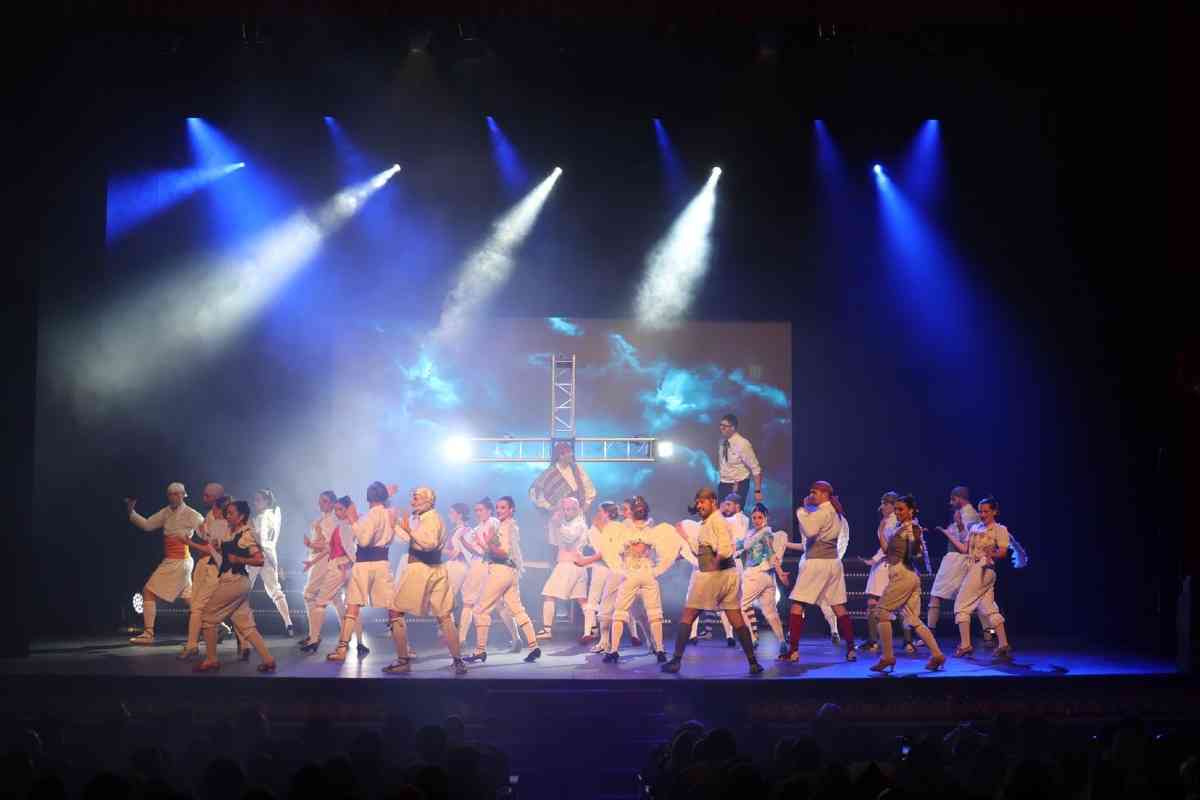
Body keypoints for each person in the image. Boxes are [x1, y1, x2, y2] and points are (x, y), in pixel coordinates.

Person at [662, 487, 763, 675]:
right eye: (697, 502)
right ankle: (753, 662)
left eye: (703, 501)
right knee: (736, 618)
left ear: (713, 501)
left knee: (687, 616)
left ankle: (676, 661)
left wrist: (714, 566)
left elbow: (724, 549)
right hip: (726, 575)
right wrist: (685, 536)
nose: (699, 505)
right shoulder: (707, 523)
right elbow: (699, 550)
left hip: (713, 576)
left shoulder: (717, 521)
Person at [385, 487, 468, 675]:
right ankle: (458, 661)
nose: (412, 502)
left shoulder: (431, 518)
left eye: (415, 498)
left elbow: (428, 543)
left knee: (395, 611)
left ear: (426, 500)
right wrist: (397, 525)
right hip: (436, 570)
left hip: (422, 569)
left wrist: (405, 528)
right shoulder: (426, 518)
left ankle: (403, 660)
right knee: (444, 616)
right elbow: (407, 539)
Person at [193, 499, 277, 672]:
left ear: (241, 516)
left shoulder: (246, 535)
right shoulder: (231, 533)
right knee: (245, 624)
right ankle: (268, 660)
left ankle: (211, 659)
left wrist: (239, 559)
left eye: (231, 513)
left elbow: (259, 560)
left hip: (236, 581)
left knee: (208, 616)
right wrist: (216, 547)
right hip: (234, 581)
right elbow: (222, 554)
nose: (227, 516)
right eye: (227, 513)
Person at [866, 495, 946, 673]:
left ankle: (887, 657)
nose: (897, 512)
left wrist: (916, 541)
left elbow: (915, 554)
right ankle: (937, 654)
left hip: (903, 575)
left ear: (911, 510)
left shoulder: (912, 528)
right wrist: (881, 532)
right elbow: (888, 551)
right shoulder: (901, 528)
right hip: (908, 576)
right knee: (913, 619)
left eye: (901, 509)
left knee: (881, 612)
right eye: (896, 509)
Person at [781, 481, 856, 663]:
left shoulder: (823, 512)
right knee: (838, 606)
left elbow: (810, 531)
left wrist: (801, 511)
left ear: (824, 494)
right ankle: (851, 648)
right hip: (833, 563)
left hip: (817, 563)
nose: (811, 495)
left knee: (797, 604)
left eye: (814, 492)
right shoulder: (836, 513)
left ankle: (793, 650)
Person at [124, 482, 205, 645]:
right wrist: (131, 511)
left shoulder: (192, 514)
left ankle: (148, 632)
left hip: (178, 561)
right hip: (176, 561)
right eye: (170, 494)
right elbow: (147, 525)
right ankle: (217, 626)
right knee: (190, 599)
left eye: (176, 494)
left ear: (183, 495)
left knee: (148, 591)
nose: (172, 497)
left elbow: (206, 533)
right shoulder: (166, 512)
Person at [465, 496, 541, 663]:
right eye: (498, 507)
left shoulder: (505, 527)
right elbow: (497, 552)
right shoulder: (507, 526)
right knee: (517, 609)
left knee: (480, 610)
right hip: (510, 571)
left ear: (511, 510)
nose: (499, 510)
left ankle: (480, 650)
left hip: (500, 571)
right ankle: (534, 646)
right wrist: (485, 544)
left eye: (503, 508)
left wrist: (488, 543)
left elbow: (503, 553)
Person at [327, 481, 396, 663]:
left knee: (353, 605)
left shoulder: (371, 515)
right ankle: (405, 653)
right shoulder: (388, 513)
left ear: (368, 497)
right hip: (382, 562)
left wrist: (352, 520)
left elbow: (363, 541)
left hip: (365, 563)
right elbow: (391, 537)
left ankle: (342, 649)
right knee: (393, 608)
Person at [604, 496, 672, 663]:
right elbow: (665, 555)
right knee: (654, 613)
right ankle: (660, 649)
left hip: (632, 573)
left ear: (632, 513)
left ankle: (614, 650)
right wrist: (656, 570)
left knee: (620, 612)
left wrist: (621, 569)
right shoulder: (652, 532)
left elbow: (615, 551)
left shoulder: (625, 531)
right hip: (647, 573)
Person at [299, 495, 364, 656]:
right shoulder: (344, 525)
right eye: (336, 510)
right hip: (344, 567)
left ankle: (314, 640)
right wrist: (312, 562)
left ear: (348, 510)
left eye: (340, 509)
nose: (337, 512)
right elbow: (330, 548)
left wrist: (349, 562)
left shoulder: (347, 526)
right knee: (351, 605)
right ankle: (359, 643)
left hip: (339, 567)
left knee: (320, 602)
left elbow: (352, 548)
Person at [951, 497, 1013, 658]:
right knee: (988, 608)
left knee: (961, 605)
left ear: (994, 512)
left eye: (986, 511)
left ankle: (965, 645)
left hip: (984, 568)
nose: (983, 514)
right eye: (980, 511)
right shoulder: (975, 528)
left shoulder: (999, 529)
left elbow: (1002, 552)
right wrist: (950, 532)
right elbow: (965, 550)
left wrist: (991, 554)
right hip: (976, 569)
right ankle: (1003, 643)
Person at [457, 498, 521, 653]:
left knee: (497, 604)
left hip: (488, 565)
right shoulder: (477, 528)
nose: (478, 513)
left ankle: (515, 638)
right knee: (474, 602)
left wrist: (479, 545)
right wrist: (464, 542)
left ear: (489, 510)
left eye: (481, 510)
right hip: (478, 565)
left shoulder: (494, 523)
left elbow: (493, 548)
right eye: (476, 510)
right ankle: (461, 640)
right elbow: (476, 550)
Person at [737, 503, 790, 655]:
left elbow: (771, 554)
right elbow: (739, 546)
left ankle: (752, 639)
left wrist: (780, 572)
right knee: (770, 612)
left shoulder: (765, 533)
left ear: (766, 518)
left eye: (760, 517)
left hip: (756, 575)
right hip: (767, 577)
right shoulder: (752, 533)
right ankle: (782, 641)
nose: (756, 520)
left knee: (740, 607)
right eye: (754, 517)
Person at [927, 486, 979, 635]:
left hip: (956, 559)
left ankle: (928, 634)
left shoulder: (968, 514)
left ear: (960, 498)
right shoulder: (964, 513)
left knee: (936, 594)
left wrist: (948, 532)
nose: (951, 503)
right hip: (958, 559)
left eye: (953, 499)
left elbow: (965, 542)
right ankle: (989, 635)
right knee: (978, 599)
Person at [573, 501, 623, 653]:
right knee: (604, 607)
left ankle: (608, 643)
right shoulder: (597, 530)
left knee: (617, 608)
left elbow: (605, 553)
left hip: (617, 570)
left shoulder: (615, 528)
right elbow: (601, 551)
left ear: (607, 513)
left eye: (600, 511)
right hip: (609, 569)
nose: (597, 514)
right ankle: (598, 638)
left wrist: (585, 561)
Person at [299, 491, 345, 651]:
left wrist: (311, 545)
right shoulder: (325, 519)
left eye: (324, 501)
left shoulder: (330, 520)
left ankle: (314, 636)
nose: (320, 504)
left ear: (332, 503)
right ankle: (345, 636)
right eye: (320, 501)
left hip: (323, 560)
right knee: (336, 598)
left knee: (309, 594)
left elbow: (329, 546)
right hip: (320, 559)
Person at [539, 497, 590, 640]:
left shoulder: (579, 524)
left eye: (569, 509)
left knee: (549, 594)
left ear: (577, 509)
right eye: (565, 509)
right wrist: (553, 524)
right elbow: (554, 541)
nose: (566, 512)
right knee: (582, 599)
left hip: (568, 565)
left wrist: (558, 524)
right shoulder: (568, 524)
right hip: (574, 565)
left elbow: (569, 538)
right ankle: (593, 628)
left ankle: (547, 629)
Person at [248, 490, 293, 637]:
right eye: (255, 500)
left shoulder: (262, 517)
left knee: (243, 589)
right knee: (275, 590)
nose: (255, 503)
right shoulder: (274, 515)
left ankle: (243, 627)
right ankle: (288, 623)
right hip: (270, 555)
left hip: (258, 555)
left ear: (267, 501)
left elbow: (260, 538)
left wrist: (250, 529)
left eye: (258, 500)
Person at [529, 442, 596, 534]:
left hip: (579, 514)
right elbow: (534, 491)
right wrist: (549, 506)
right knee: (561, 539)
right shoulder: (550, 473)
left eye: (571, 452)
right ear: (561, 456)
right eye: (569, 452)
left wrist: (587, 503)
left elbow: (588, 485)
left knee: (580, 538)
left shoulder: (576, 468)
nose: (572, 454)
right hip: (560, 517)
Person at [861, 492, 898, 653]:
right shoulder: (888, 521)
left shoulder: (892, 522)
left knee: (874, 602)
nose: (882, 507)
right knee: (877, 603)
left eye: (885, 504)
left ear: (892, 505)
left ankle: (874, 641)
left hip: (886, 566)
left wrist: (874, 560)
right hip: (883, 565)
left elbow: (888, 547)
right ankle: (875, 640)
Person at [717, 414, 763, 508]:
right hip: (723, 484)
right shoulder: (722, 442)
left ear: (733, 428)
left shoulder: (742, 443)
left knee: (734, 513)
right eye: (721, 425)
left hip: (738, 485)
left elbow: (756, 468)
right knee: (721, 513)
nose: (721, 428)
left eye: (725, 426)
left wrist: (757, 491)